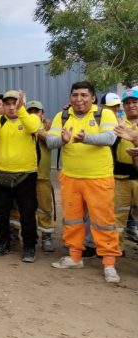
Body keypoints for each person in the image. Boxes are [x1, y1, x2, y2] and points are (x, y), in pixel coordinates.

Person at [43, 81, 121, 283]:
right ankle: (75, 256)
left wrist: (84, 138)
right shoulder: (63, 116)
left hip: (99, 178)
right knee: (72, 220)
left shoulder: (104, 114)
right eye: (75, 95)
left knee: (103, 222)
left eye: (84, 95)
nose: (79, 99)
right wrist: (64, 139)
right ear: (70, 97)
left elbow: (110, 138)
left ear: (93, 98)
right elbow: (51, 142)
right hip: (70, 177)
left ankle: (109, 263)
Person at [0, 90, 41, 262]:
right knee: (1, 213)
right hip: (2, 173)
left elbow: (33, 128)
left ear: (21, 103)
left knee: (27, 213)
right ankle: (2, 243)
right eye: (7, 104)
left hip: (26, 174)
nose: (11, 107)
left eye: (14, 103)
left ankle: (29, 247)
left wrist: (22, 109)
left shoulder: (32, 118)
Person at [26, 100, 56, 252]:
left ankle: (46, 236)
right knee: (21, 207)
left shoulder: (48, 128)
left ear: (42, 113)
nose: (33, 114)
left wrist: (39, 129)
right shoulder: (23, 126)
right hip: (24, 174)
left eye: (36, 111)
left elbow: (50, 141)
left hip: (42, 176)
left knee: (45, 208)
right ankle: (15, 234)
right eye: (30, 111)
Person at [114, 87, 138, 248]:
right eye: (127, 103)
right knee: (117, 217)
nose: (131, 105)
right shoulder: (118, 122)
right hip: (121, 178)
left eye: (135, 102)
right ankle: (116, 249)